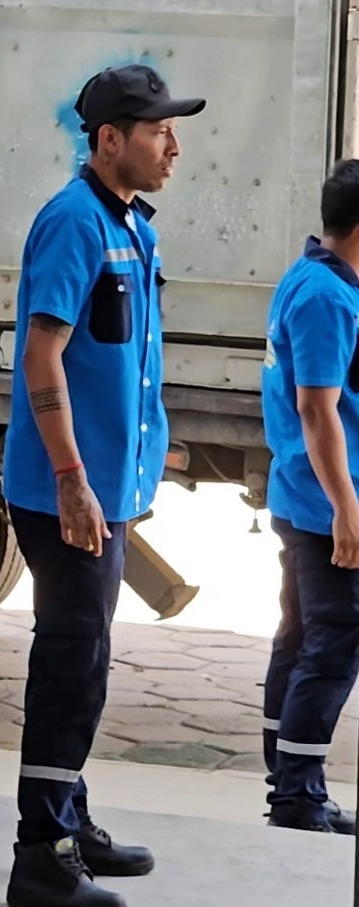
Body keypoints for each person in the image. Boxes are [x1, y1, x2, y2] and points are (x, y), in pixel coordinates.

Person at [0, 64, 205, 907]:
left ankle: (68, 817)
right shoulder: (72, 223)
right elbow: (41, 354)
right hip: (62, 494)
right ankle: (38, 855)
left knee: (88, 656)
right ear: (109, 139)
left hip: (102, 491)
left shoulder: (132, 228)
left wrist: (135, 471)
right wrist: (75, 479)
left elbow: (124, 361)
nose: (173, 145)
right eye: (157, 130)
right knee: (70, 664)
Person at [259, 158, 359, 836]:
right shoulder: (326, 296)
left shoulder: (309, 276)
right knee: (333, 640)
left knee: (298, 637)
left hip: (303, 494)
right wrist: (348, 512)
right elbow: (318, 411)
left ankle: (287, 778)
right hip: (327, 502)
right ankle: (296, 793)